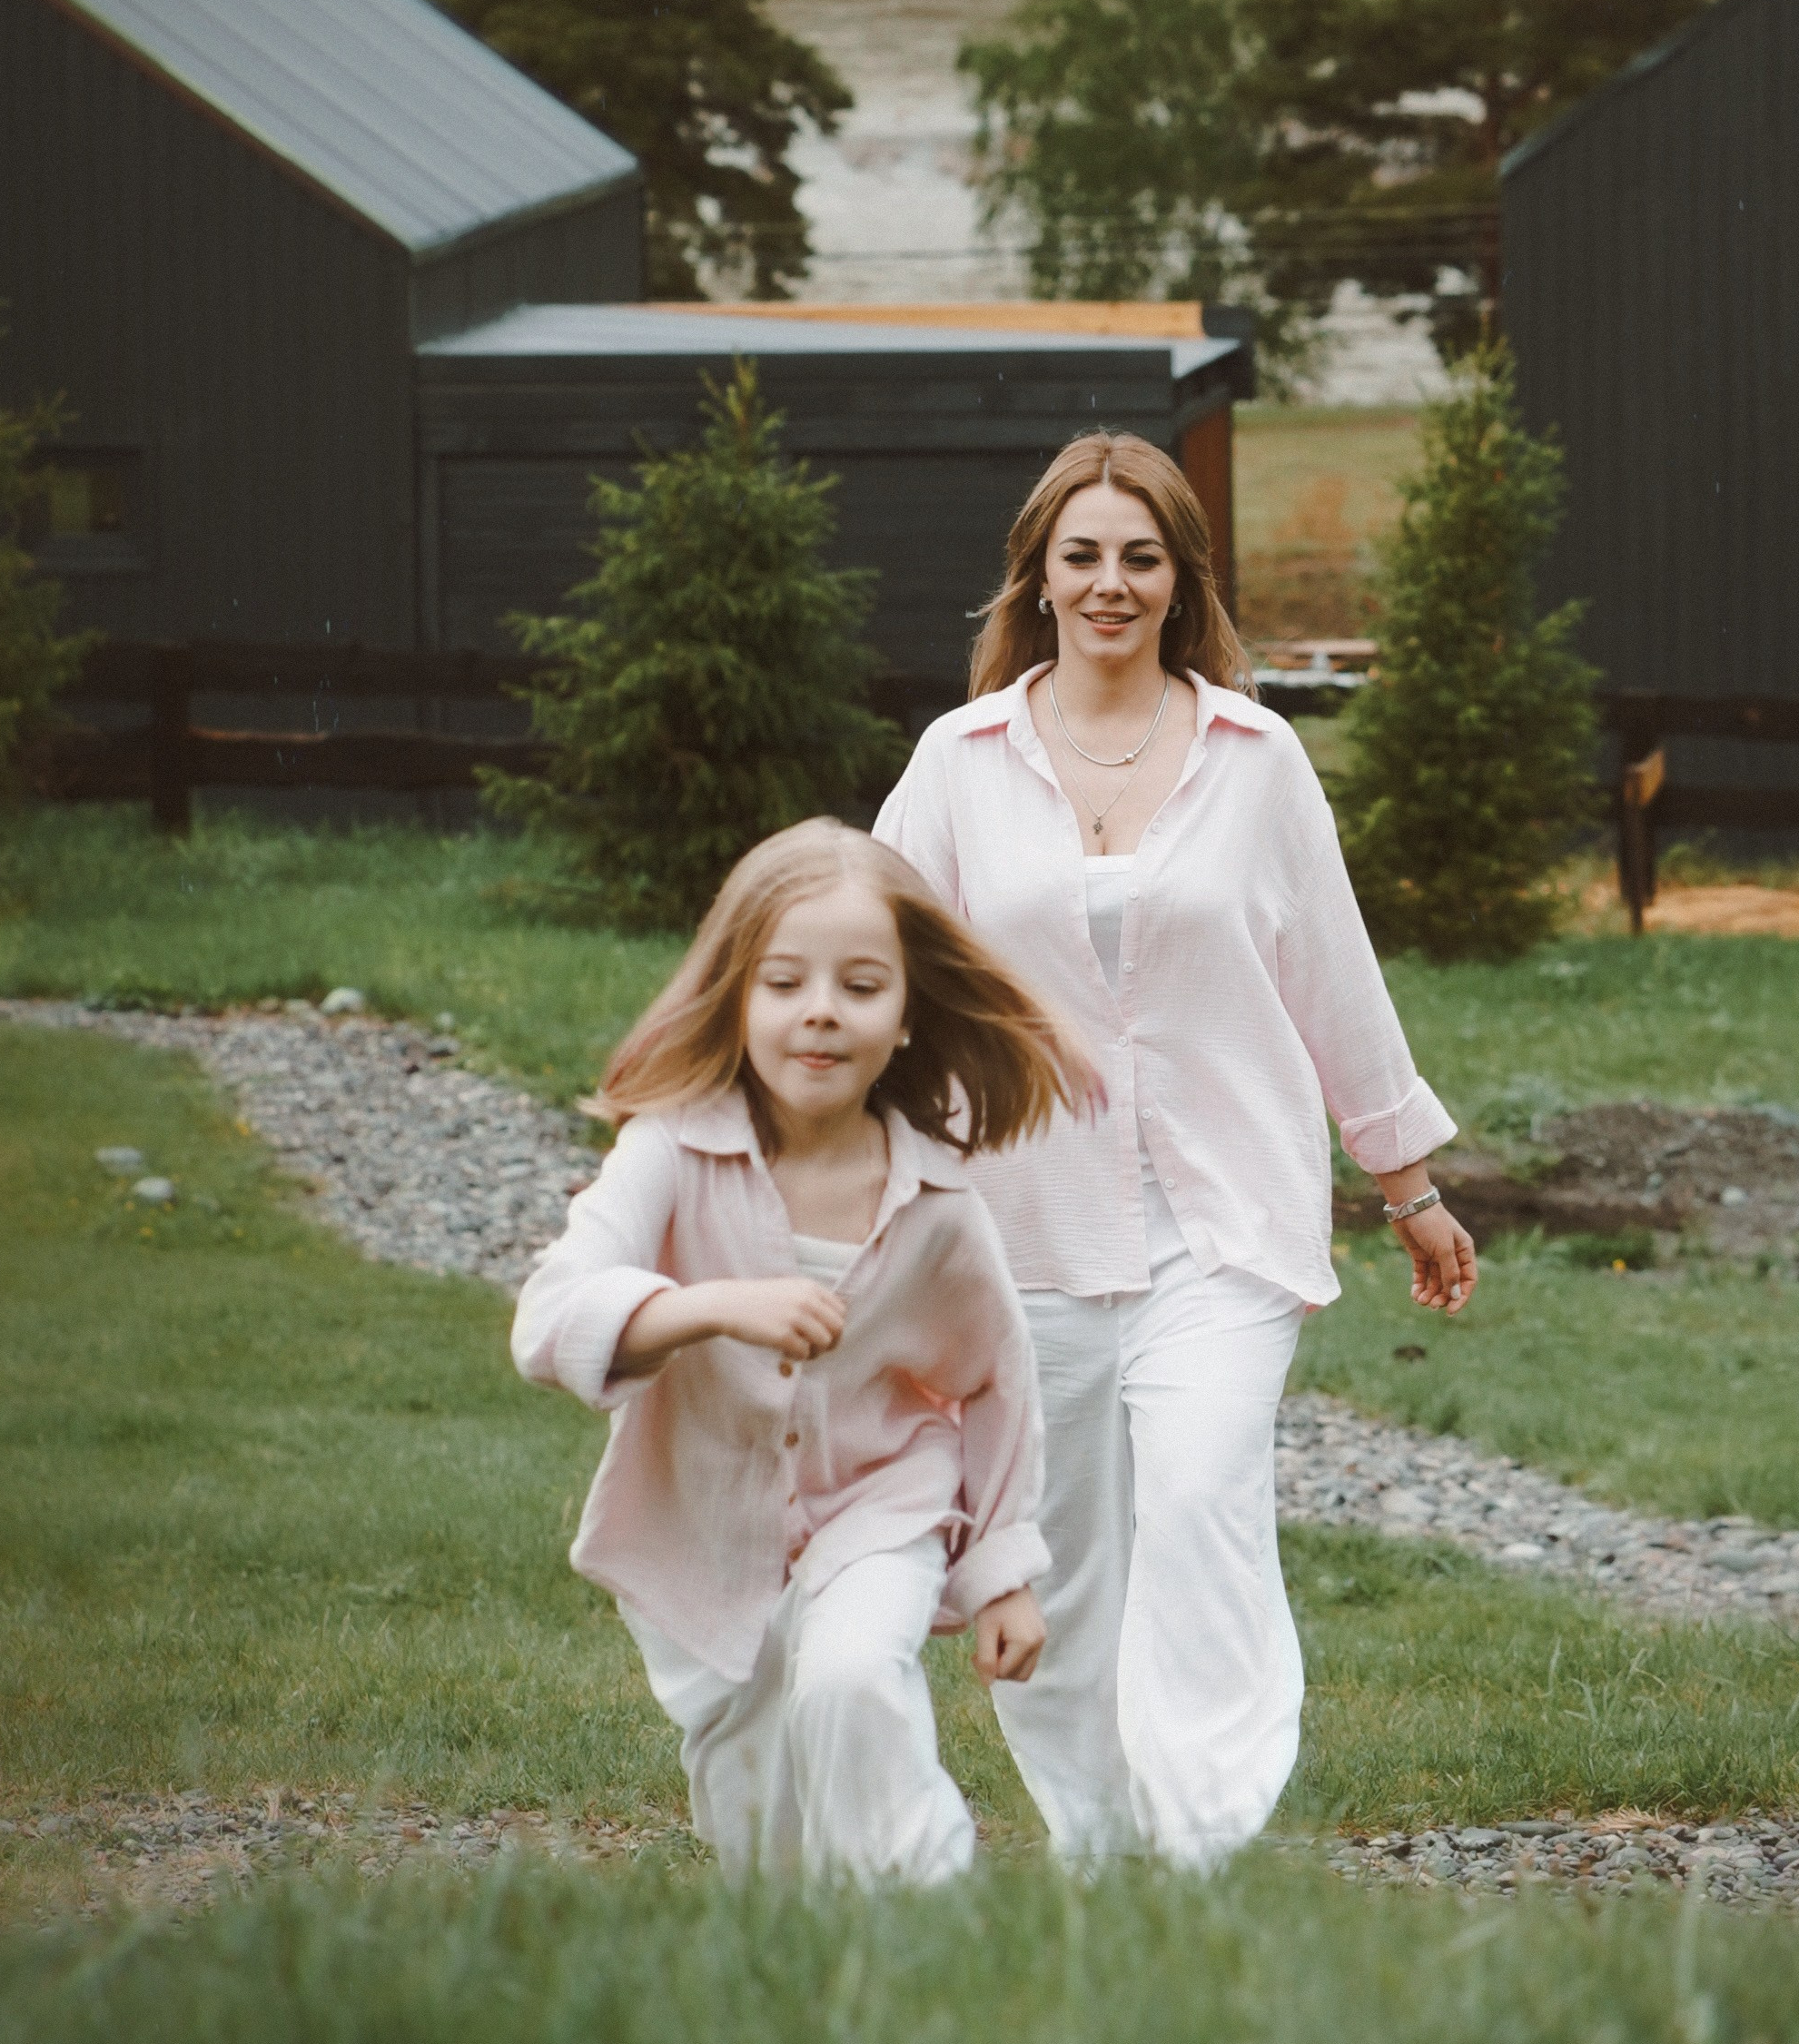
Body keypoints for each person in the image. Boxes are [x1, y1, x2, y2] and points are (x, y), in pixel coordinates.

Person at [875, 430, 1477, 1869]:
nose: (1110, 582)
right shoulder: (956, 765)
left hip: (1225, 1227)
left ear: (1179, 576)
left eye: (1139, 556)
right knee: (1063, 1559)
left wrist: (1411, 1182)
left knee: (1203, 1498)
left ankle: (1202, 1834)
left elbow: (1335, 975)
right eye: (1081, 554)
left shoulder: (1255, 759)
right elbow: (869, 959)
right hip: (1024, 1233)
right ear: (1037, 574)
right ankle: (1098, 1846)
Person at [512, 818, 1097, 1889]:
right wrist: (714, 1306)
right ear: (739, 996)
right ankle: (800, 1953)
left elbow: (996, 1385)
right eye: (784, 981)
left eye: (861, 985)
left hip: (883, 1499)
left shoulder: (939, 1207)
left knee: (851, 1680)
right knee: (758, 1810)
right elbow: (548, 1322)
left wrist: (1003, 1572)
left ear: (908, 1016)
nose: (821, 1009)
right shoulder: (670, 1151)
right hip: (705, 1522)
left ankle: (924, 1913)